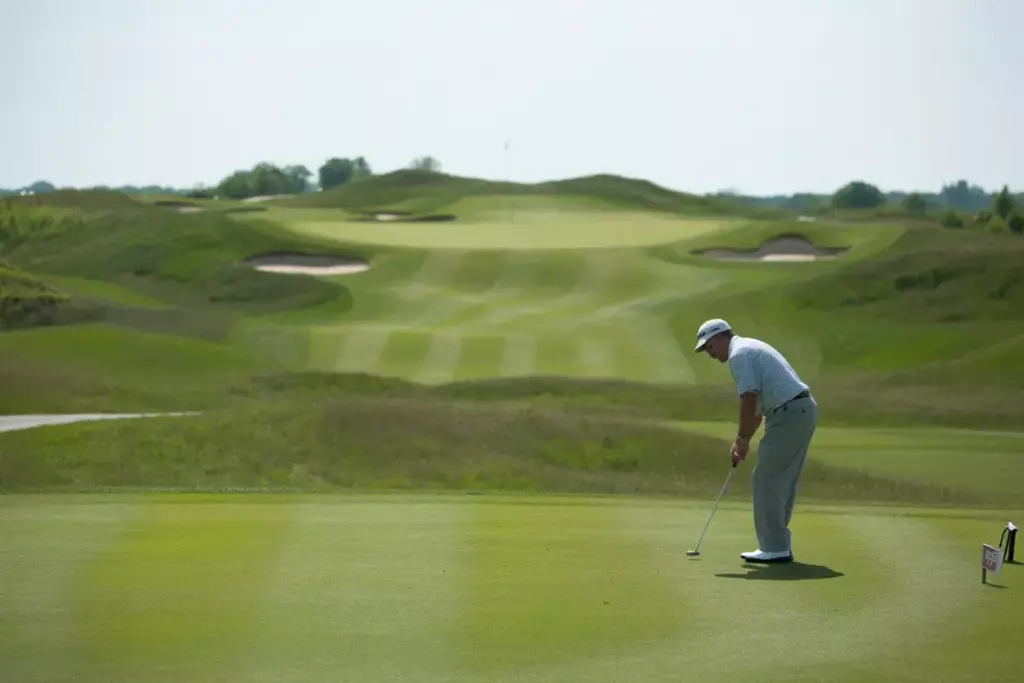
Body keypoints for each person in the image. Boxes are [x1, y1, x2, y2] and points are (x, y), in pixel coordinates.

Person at [693, 318, 818, 563]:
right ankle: (777, 544)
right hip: (799, 411)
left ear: (720, 336)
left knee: (766, 479)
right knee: (779, 480)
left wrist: (741, 438)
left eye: (709, 347)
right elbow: (757, 412)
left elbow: (748, 399)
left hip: (790, 413)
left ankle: (774, 547)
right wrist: (744, 440)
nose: (710, 354)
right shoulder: (748, 348)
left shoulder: (739, 354)